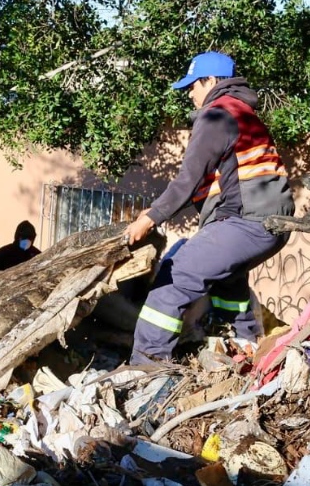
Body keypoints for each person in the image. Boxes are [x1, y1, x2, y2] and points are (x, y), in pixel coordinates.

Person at [124, 51, 294, 364]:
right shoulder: (243, 114)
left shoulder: (216, 114)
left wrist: (150, 218)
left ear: (211, 81)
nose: (190, 93)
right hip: (273, 228)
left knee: (171, 281)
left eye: (193, 85)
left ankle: (146, 366)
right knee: (228, 281)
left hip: (246, 224)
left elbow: (187, 179)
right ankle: (248, 343)